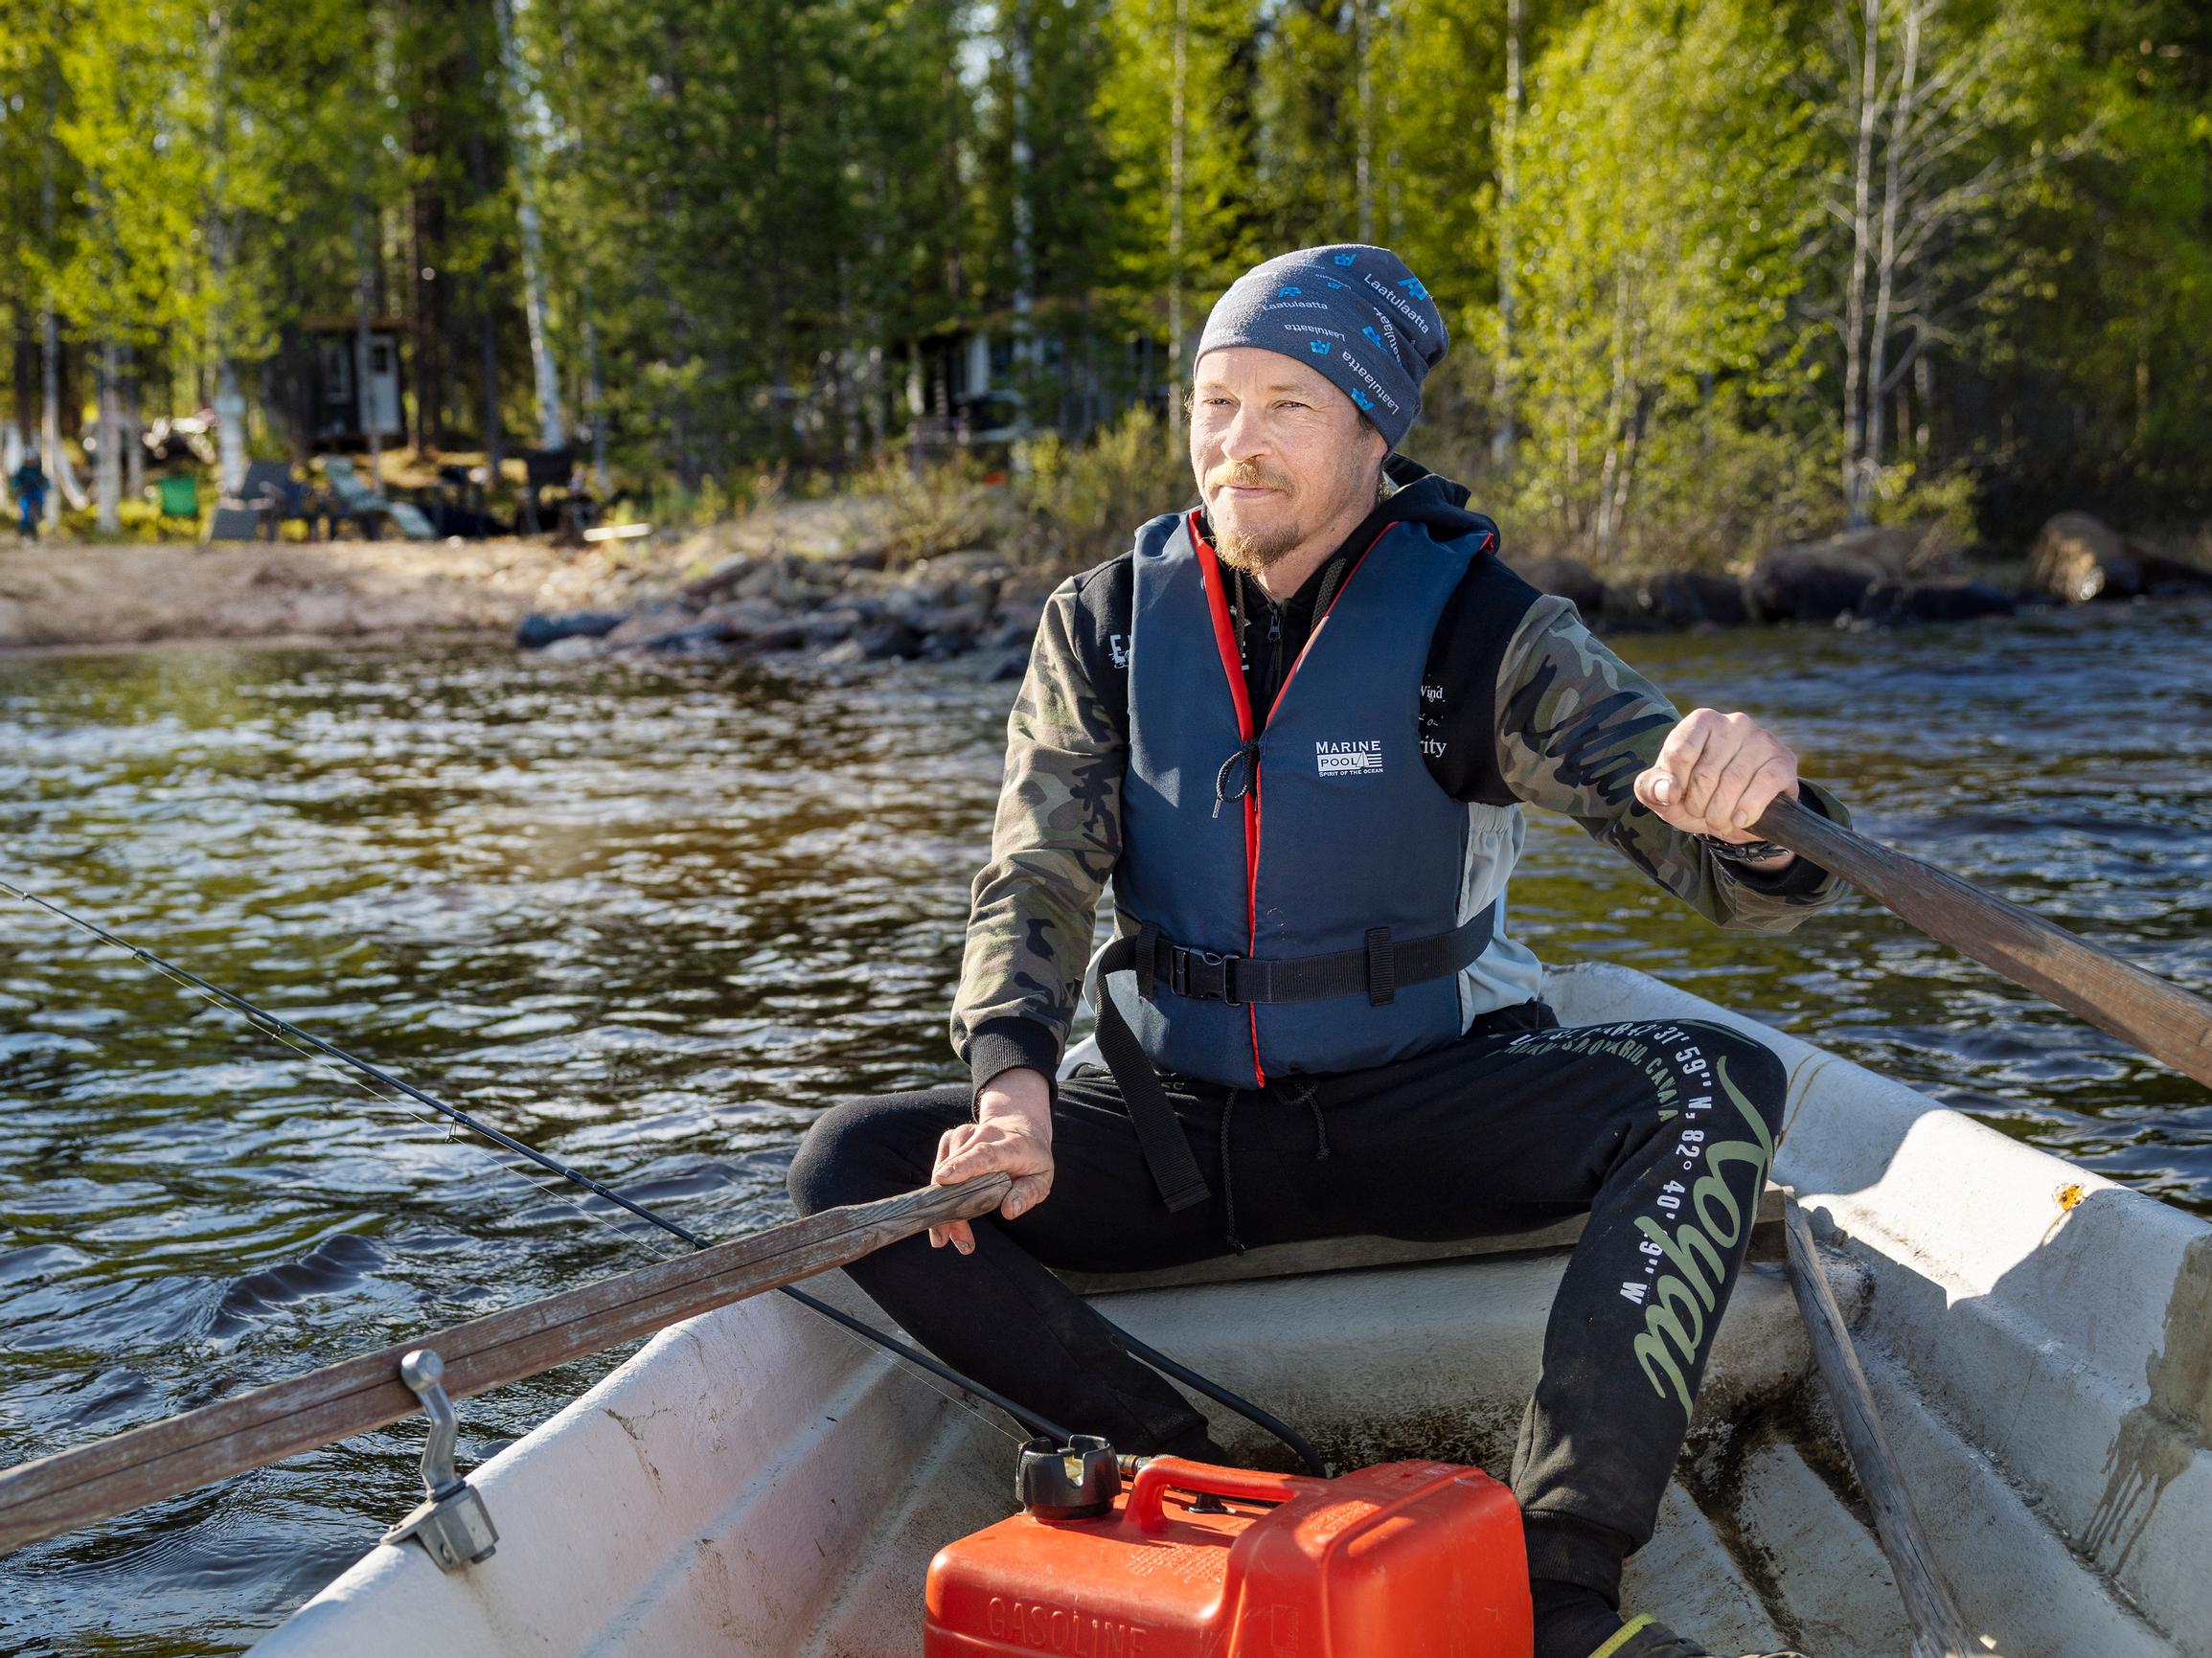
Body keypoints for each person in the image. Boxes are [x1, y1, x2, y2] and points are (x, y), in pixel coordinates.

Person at [788, 245, 1850, 1658]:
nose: (1237, 441)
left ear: (1371, 427)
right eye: (1214, 400)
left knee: (1715, 1080)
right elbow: (1035, 870)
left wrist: (1759, 813)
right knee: (851, 1164)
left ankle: (1555, 1585)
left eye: (1285, 403)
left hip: (1420, 1103)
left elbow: (1727, 868)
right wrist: (1014, 1078)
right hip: (1180, 1125)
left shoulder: (1484, 634)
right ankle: (1185, 1466)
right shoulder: (1100, 626)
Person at [10, 449, 50, 541]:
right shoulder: (22, 470)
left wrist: (47, 486)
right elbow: (16, 482)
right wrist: (17, 488)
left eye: (31, 459)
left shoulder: (37, 469)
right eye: (28, 460)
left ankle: (35, 531)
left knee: (37, 511)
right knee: (25, 513)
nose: (30, 461)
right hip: (26, 492)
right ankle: (24, 533)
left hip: (36, 491)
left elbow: (44, 480)